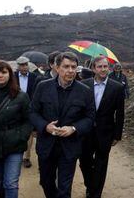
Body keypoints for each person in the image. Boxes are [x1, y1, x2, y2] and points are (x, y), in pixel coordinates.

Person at [29, 52, 95, 198]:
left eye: (73, 67)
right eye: (66, 66)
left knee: (65, 189)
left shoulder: (85, 91)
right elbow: (33, 113)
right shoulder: (42, 87)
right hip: (47, 146)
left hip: (70, 147)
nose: (70, 70)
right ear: (57, 68)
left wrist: (73, 128)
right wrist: (45, 126)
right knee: (46, 183)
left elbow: (90, 119)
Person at [0, 60, 33, 198]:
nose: (0, 75)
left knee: (11, 183)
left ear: (10, 74)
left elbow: (28, 120)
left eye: (4, 72)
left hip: (15, 144)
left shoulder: (21, 96)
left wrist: (21, 136)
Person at [80, 55, 125, 198]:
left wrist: (117, 135)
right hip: (86, 133)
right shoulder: (84, 85)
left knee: (101, 164)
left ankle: (95, 194)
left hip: (105, 132)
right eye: (99, 66)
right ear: (93, 69)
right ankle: (90, 186)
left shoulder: (117, 88)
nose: (103, 69)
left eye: (105, 66)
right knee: (84, 162)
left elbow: (120, 113)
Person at [14, 56, 38, 168]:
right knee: (16, 132)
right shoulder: (12, 77)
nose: (24, 67)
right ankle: (15, 155)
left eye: (25, 64)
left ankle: (26, 157)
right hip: (15, 109)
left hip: (29, 109)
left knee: (29, 134)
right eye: (21, 65)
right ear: (18, 66)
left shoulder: (34, 77)